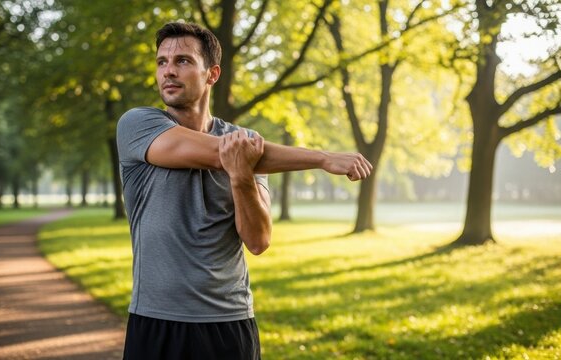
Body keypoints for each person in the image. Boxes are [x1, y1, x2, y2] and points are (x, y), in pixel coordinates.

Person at [116, 22, 373, 360]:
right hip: (156, 320)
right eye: (162, 62)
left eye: (183, 61)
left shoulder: (247, 143)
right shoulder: (138, 125)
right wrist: (323, 158)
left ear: (212, 74)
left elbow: (258, 240)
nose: (168, 71)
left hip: (229, 322)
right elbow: (216, 152)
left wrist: (241, 177)